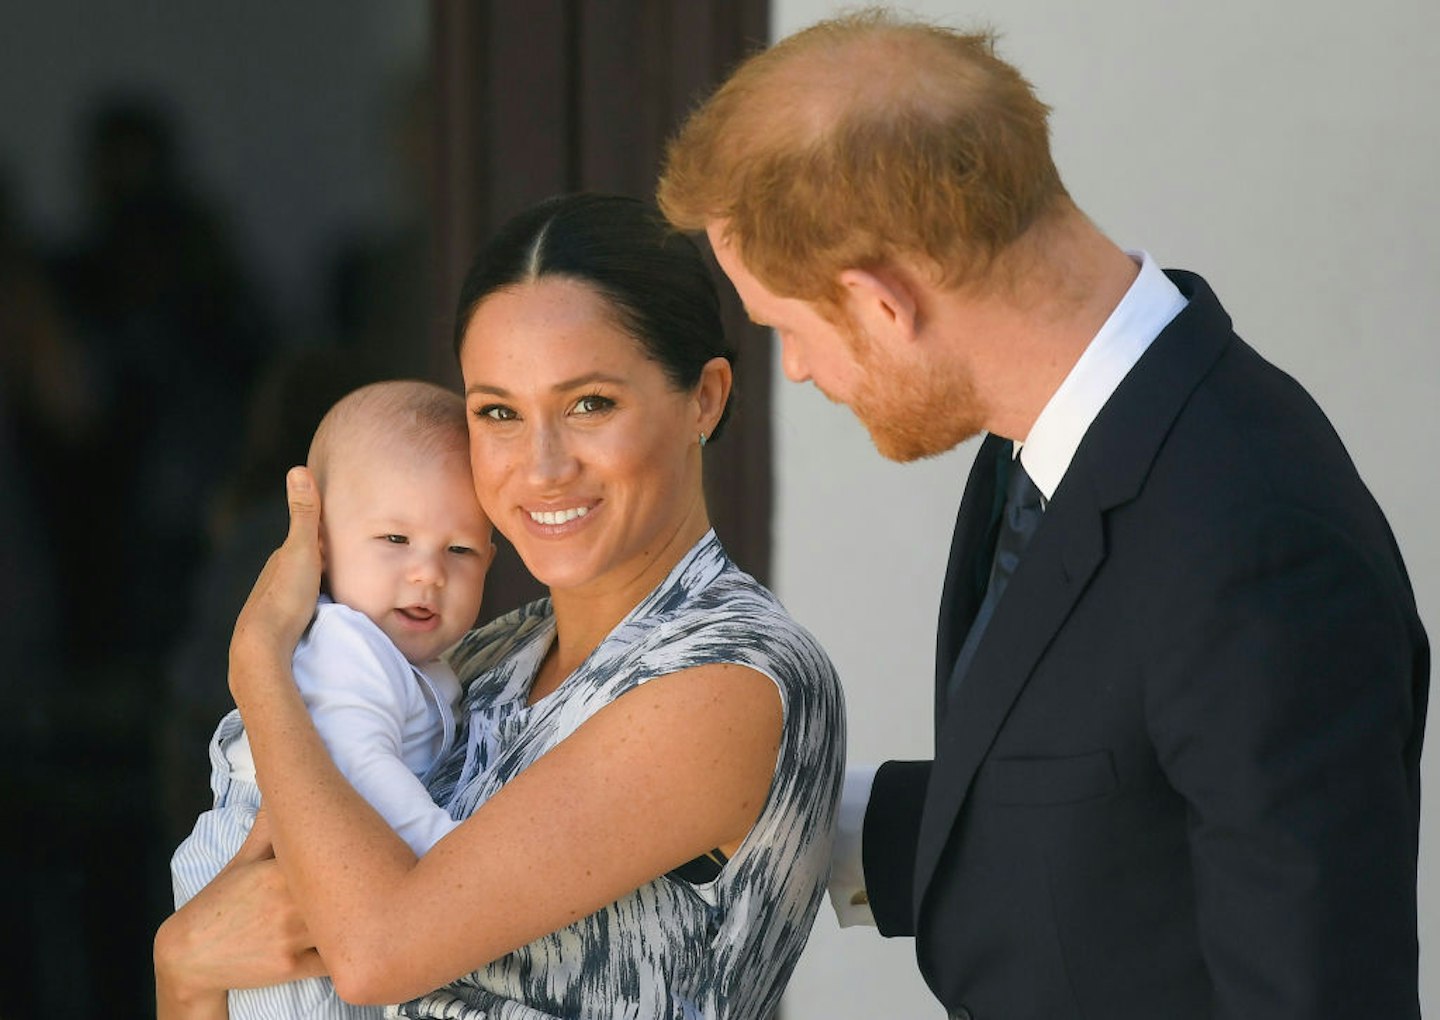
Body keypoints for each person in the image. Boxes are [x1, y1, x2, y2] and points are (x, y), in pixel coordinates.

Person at [657, 9, 1428, 1020]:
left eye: (788, 330)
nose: (797, 370)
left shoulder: (1256, 543)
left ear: (883, 302)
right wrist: (749, 809)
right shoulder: (1051, 435)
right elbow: (1096, 812)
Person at [153, 193, 846, 1020]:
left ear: (706, 397)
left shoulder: (728, 676)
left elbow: (375, 955)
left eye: (590, 403)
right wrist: (181, 968)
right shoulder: (474, 662)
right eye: (499, 413)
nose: (542, 466)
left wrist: (259, 662)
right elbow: (248, 967)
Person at [170, 378, 494, 1019]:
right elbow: (360, 769)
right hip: (271, 873)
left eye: (459, 550)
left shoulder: (420, 661)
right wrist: (454, 867)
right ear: (318, 546)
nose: (428, 572)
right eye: (395, 540)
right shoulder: (348, 646)